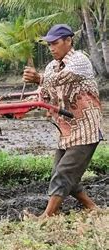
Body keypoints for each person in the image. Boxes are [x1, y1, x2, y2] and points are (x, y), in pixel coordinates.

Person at [23, 24, 104, 217]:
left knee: (64, 173)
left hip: (86, 130)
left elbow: (61, 79)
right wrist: (19, 106)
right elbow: (43, 94)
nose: (51, 48)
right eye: (49, 44)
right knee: (63, 174)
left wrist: (39, 78)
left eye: (55, 43)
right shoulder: (51, 66)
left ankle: (46, 217)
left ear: (69, 41)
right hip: (66, 131)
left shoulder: (80, 61)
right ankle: (93, 208)